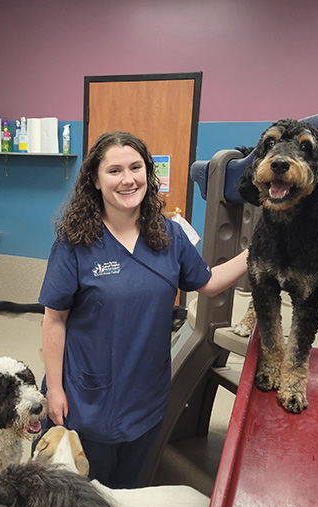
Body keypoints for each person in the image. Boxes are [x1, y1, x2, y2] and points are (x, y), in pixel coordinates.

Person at [39, 131, 248, 488]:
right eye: (114, 170)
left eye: (136, 167)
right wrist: (55, 390)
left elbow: (208, 282)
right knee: (85, 495)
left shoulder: (169, 236)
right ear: (95, 180)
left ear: (148, 175)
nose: (127, 179)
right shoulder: (75, 243)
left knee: (131, 489)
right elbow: (54, 320)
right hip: (86, 394)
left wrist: (258, 252)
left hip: (146, 391)